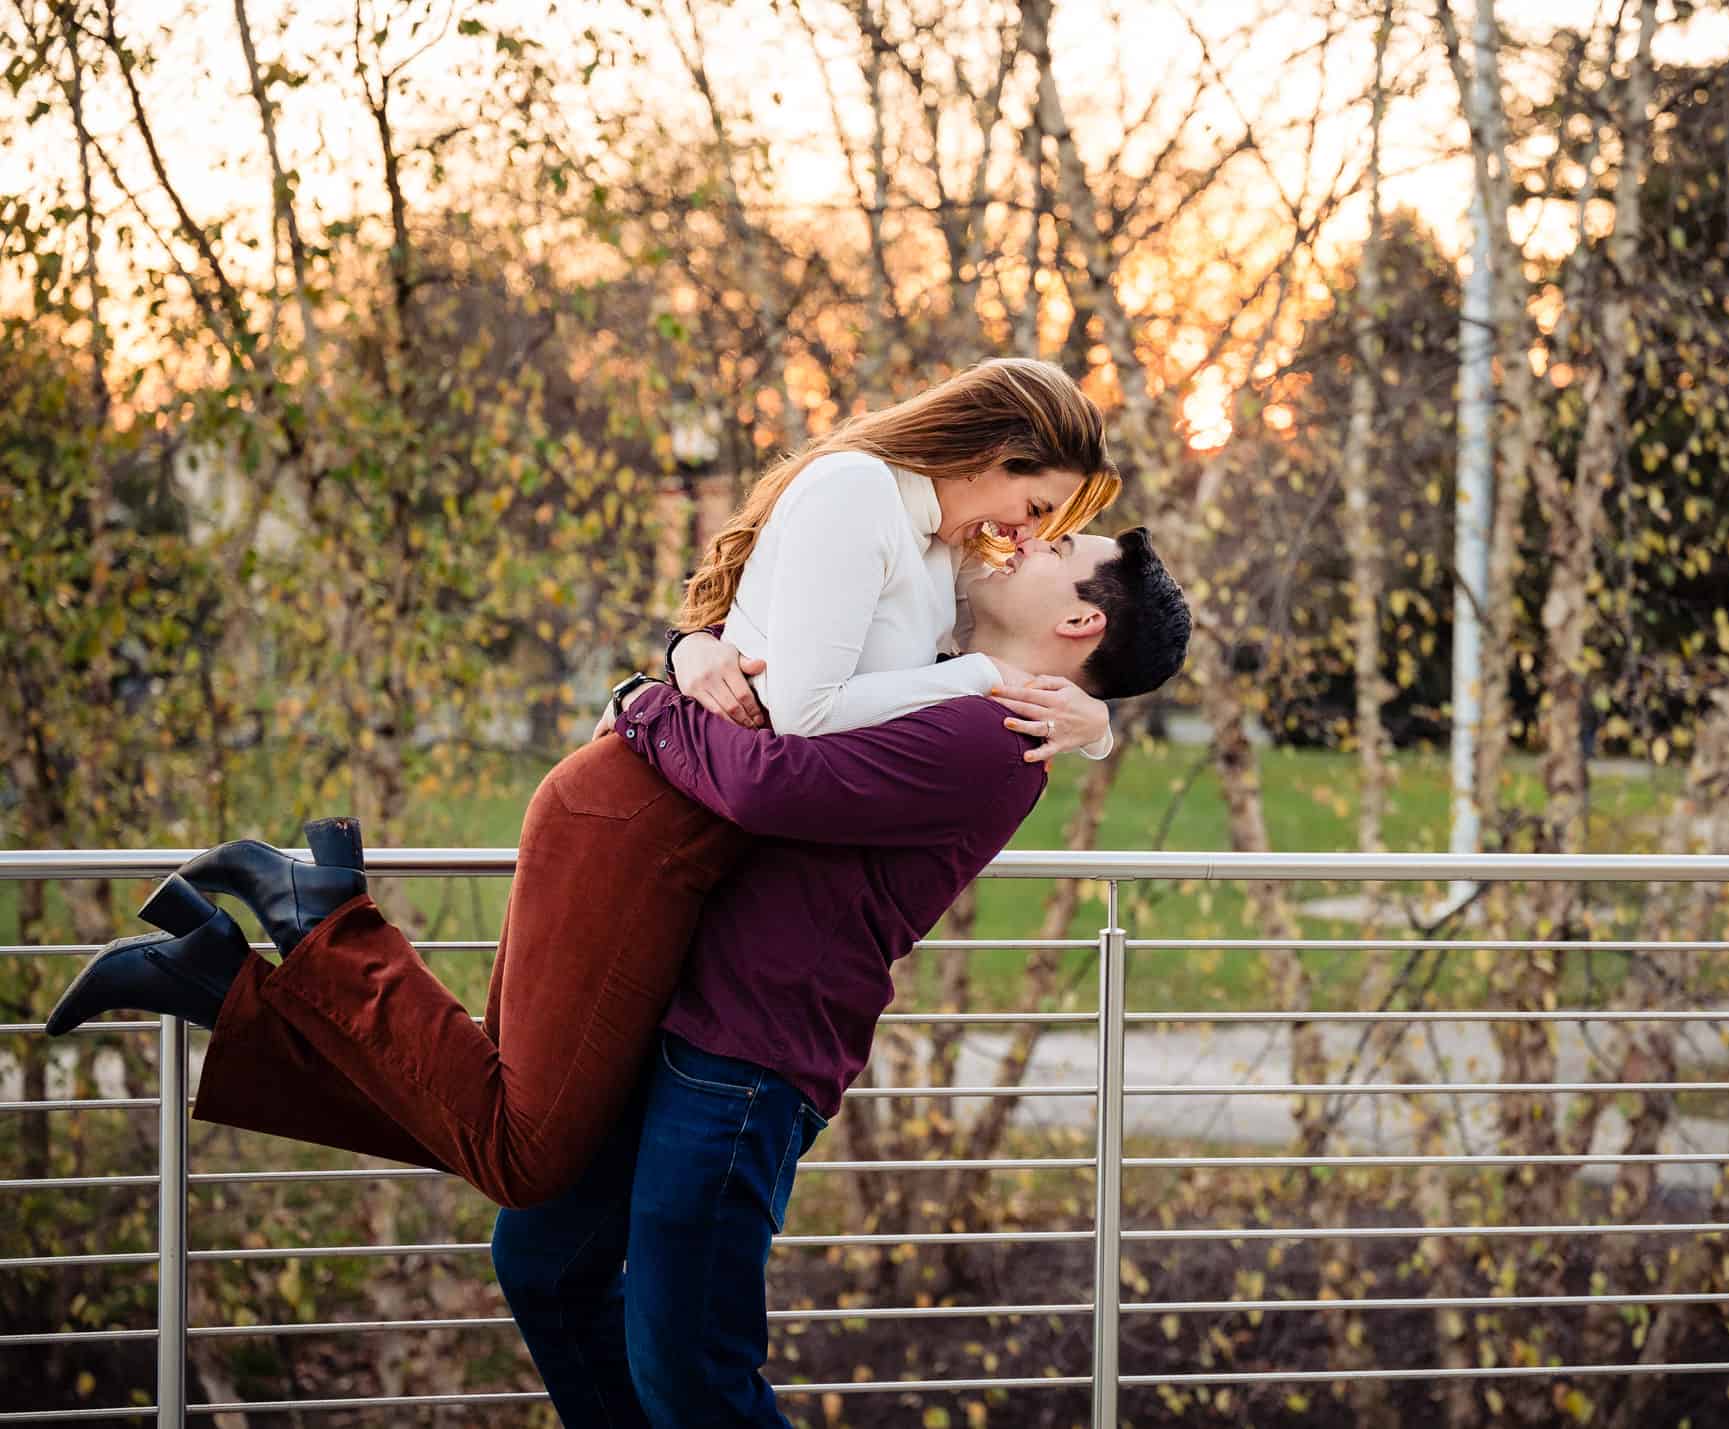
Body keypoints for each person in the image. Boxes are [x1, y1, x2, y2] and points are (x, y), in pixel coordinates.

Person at [43, 358, 1126, 1209]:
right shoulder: (855, 492)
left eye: (1049, 527)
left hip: (683, 834)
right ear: (991, 448)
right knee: (528, 1154)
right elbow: (802, 713)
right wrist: (982, 672)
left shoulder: (934, 549)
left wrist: (1094, 731)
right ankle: (311, 917)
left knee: (524, 1120)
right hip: (634, 824)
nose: (1027, 532)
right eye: (1035, 501)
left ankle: (221, 981)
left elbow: (900, 672)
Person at [494, 526, 1189, 1427]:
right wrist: (685, 652)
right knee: (545, 1264)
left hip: (743, 1061)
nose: (1024, 543)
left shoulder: (990, 734)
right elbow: (766, 663)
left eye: (1056, 548)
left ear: (1081, 617)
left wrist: (643, 705)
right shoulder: (933, 672)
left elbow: (765, 782)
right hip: (677, 1020)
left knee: (693, 1372)